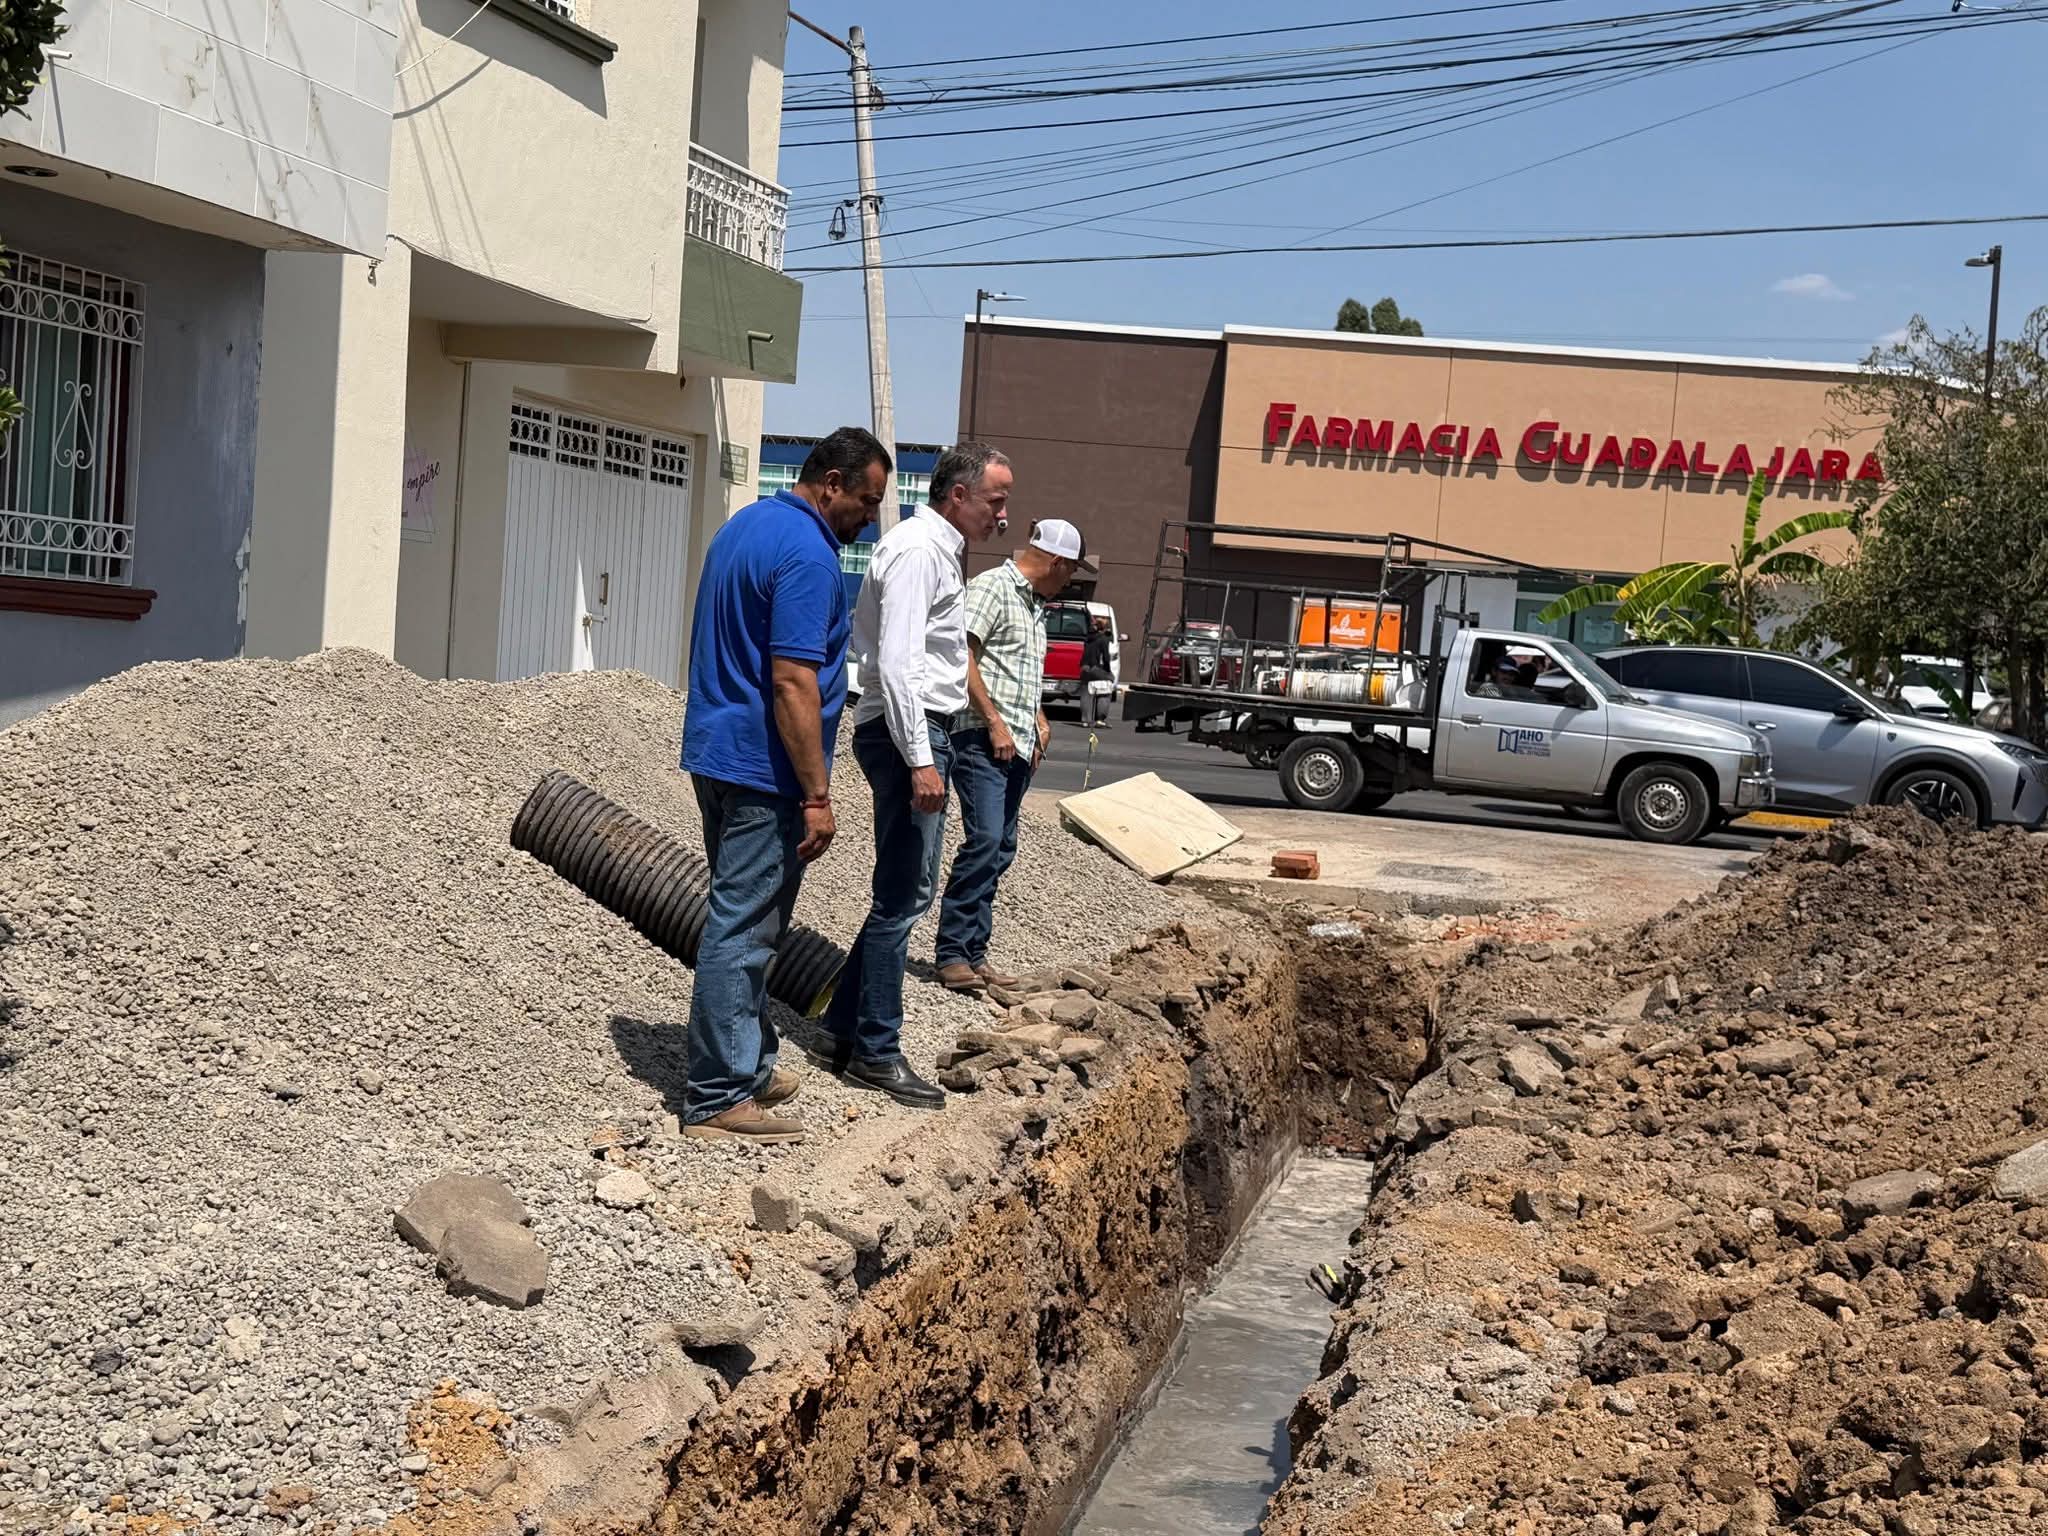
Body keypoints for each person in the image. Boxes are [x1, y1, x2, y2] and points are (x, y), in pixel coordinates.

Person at [678, 427, 891, 1144]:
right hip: (764, 771)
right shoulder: (807, 555)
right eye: (866, 501)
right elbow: (793, 681)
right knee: (741, 929)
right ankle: (715, 1095)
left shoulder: (746, 527)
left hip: (718, 753)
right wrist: (818, 794)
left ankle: (751, 1061)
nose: (870, 517)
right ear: (830, 482)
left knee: (751, 922)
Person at [811, 443, 1010, 1107]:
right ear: (958, 495)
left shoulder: (935, 549)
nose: (1002, 516)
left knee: (903, 889)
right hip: (911, 730)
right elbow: (896, 663)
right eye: (995, 501)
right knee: (904, 895)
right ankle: (876, 1050)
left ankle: (843, 1031)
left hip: (921, 729)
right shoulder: (922, 550)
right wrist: (921, 758)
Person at [934, 519, 1085, 994]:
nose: (1069, 581)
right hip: (982, 736)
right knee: (984, 840)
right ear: (1057, 562)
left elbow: (1017, 674)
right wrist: (996, 721)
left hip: (1017, 742)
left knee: (1000, 847)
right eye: (1071, 571)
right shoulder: (994, 588)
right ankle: (952, 954)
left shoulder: (1034, 606)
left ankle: (976, 955)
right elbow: (963, 658)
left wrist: (1037, 719)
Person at [1081, 615, 1115, 728]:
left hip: (1085, 668)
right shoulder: (1103, 639)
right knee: (1107, 685)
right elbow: (1106, 658)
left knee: (1087, 691)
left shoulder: (1088, 638)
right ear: (1105, 628)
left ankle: (1086, 720)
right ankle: (1100, 719)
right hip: (1096, 668)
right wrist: (1108, 671)